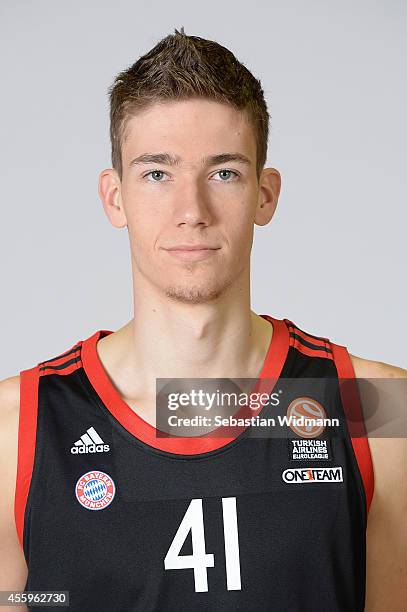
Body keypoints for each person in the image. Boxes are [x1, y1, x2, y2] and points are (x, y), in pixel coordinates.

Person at [1, 27, 406, 612]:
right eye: (157, 174)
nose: (192, 211)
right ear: (114, 197)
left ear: (265, 195)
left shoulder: (376, 410)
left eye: (224, 173)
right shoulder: (19, 430)